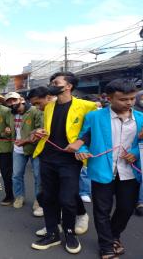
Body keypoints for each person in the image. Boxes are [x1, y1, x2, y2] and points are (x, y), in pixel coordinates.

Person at [75, 79, 143, 259]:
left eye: (132, 98)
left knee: (125, 208)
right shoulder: (95, 117)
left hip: (130, 172)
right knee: (102, 210)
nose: (129, 103)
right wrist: (82, 151)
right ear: (108, 98)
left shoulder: (142, 119)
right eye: (123, 99)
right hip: (102, 170)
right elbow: (83, 139)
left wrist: (136, 153)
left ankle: (114, 235)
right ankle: (107, 245)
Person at [31, 72, 96, 254]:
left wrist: (80, 142)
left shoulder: (87, 106)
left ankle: (70, 233)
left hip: (69, 161)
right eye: (51, 81)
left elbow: (94, 128)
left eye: (56, 82)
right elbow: (49, 128)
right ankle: (52, 233)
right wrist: (40, 132)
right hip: (48, 157)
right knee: (48, 198)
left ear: (68, 86)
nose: (52, 84)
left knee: (67, 199)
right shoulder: (49, 106)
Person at [5, 92, 45, 216]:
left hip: (34, 149)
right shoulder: (10, 113)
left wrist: (26, 140)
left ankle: (39, 200)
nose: (12, 103)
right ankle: (19, 197)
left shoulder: (34, 111)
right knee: (16, 175)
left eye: (14, 100)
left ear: (21, 99)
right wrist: (7, 130)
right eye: (9, 101)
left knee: (38, 176)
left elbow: (41, 130)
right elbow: (10, 128)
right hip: (18, 149)